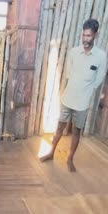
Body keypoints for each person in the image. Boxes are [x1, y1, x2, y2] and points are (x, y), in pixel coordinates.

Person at [39, 19, 107, 172]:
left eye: (88, 36)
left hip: (82, 104)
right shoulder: (74, 52)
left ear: (95, 35)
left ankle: (70, 159)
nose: (85, 39)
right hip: (67, 99)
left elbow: (99, 78)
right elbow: (69, 74)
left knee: (76, 131)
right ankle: (51, 153)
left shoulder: (101, 57)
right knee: (59, 128)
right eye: (83, 35)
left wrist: (86, 90)